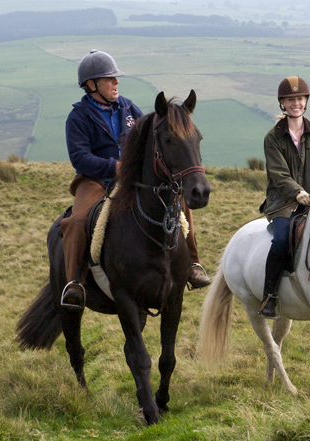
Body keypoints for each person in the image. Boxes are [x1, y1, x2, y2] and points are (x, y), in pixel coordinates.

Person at [61, 49, 209, 309]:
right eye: (109, 79)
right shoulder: (78, 117)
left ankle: (194, 265)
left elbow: (149, 140)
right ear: (91, 85)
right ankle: (74, 282)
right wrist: (114, 167)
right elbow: (80, 158)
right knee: (77, 220)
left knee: (181, 205)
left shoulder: (128, 108)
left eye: (116, 78)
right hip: (95, 181)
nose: (116, 82)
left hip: (134, 180)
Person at [258, 76, 310, 318]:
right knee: (282, 239)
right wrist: (298, 192)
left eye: (300, 98)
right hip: (283, 202)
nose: (296, 103)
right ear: (282, 103)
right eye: (291, 99)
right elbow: (279, 175)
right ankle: (269, 296)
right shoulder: (273, 138)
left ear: (306, 101)